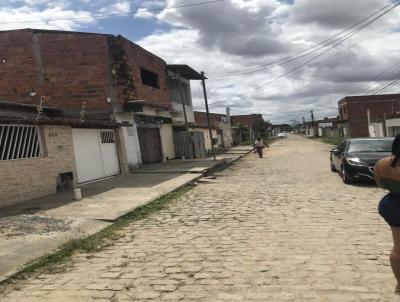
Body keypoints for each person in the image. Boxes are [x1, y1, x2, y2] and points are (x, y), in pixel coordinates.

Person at [375, 134, 400, 294]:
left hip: (391, 204)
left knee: (398, 248)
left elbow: (379, 183)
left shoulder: (383, 163)